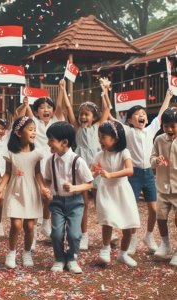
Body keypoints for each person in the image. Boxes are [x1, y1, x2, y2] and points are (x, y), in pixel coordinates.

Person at [118, 89, 173, 255]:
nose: (141, 115)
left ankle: (149, 236)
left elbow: (162, 114)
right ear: (129, 120)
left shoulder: (151, 130)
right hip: (133, 174)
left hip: (149, 173)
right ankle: (133, 238)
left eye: (143, 113)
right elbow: (112, 119)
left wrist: (168, 96)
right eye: (136, 114)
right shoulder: (128, 132)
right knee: (132, 208)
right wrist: (105, 94)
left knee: (154, 209)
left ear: (146, 118)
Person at [15, 80, 66, 244]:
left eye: (48, 107)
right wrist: (25, 105)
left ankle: (45, 222)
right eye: (43, 107)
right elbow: (21, 115)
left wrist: (62, 89)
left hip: (52, 163)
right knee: (36, 197)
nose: (47, 110)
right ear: (37, 112)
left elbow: (60, 108)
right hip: (36, 162)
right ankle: (34, 230)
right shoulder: (33, 123)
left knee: (48, 196)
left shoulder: (56, 122)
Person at [0, 116, 50, 269]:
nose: (33, 133)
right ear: (19, 133)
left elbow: (38, 174)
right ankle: (11, 253)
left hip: (31, 191)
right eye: (30, 129)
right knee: (16, 224)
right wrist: (0, 188)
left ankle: (27, 253)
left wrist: (43, 187)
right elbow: (7, 173)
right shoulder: (11, 153)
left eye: (35, 130)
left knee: (30, 226)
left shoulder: (37, 154)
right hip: (15, 190)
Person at [64, 77, 111, 250]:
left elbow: (107, 108)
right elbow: (68, 108)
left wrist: (105, 91)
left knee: (102, 202)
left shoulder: (98, 126)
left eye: (87, 114)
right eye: (81, 114)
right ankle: (84, 235)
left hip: (97, 166)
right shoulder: (76, 127)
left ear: (93, 117)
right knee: (83, 203)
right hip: (81, 166)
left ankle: (107, 233)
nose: (83, 116)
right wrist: (63, 90)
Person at [44, 121, 93, 273]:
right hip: (57, 201)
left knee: (74, 234)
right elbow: (47, 179)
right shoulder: (50, 160)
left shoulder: (77, 161)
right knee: (56, 233)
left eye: (51, 140)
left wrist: (74, 187)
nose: (48, 143)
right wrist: (45, 189)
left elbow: (89, 183)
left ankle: (72, 258)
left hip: (75, 202)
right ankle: (59, 258)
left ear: (64, 142)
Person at [92, 121, 140, 267]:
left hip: (122, 190)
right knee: (107, 220)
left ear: (116, 138)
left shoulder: (124, 153)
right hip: (106, 190)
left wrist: (110, 174)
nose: (100, 140)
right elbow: (92, 172)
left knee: (128, 225)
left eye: (103, 137)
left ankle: (123, 254)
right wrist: (92, 174)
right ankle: (105, 250)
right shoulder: (99, 155)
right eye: (99, 136)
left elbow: (130, 170)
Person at [150, 107, 177, 266]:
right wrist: (155, 161)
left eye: (173, 126)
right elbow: (152, 157)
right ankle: (165, 244)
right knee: (160, 217)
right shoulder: (159, 140)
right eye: (166, 126)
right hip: (162, 187)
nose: (169, 129)